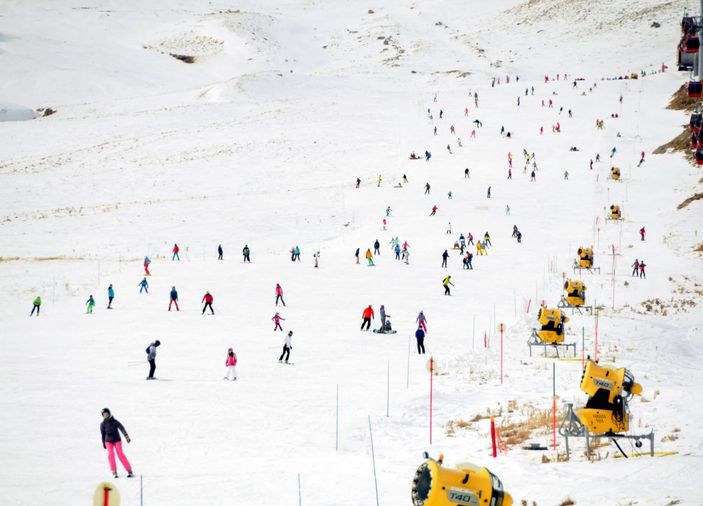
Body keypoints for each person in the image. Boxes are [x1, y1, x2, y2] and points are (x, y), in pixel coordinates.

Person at [100, 408, 133, 478]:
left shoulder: (115, 421)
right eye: (104, 414)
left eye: (106, 414)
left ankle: (129, 470)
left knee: (120, 454)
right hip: (108, 441)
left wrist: (126, 436)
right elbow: (103, 434)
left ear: (109, 413)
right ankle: (114, 471)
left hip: (117, 440)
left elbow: (122, 428)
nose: (105, 415)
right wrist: (103, 443)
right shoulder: (102, 424)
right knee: (111, 455)